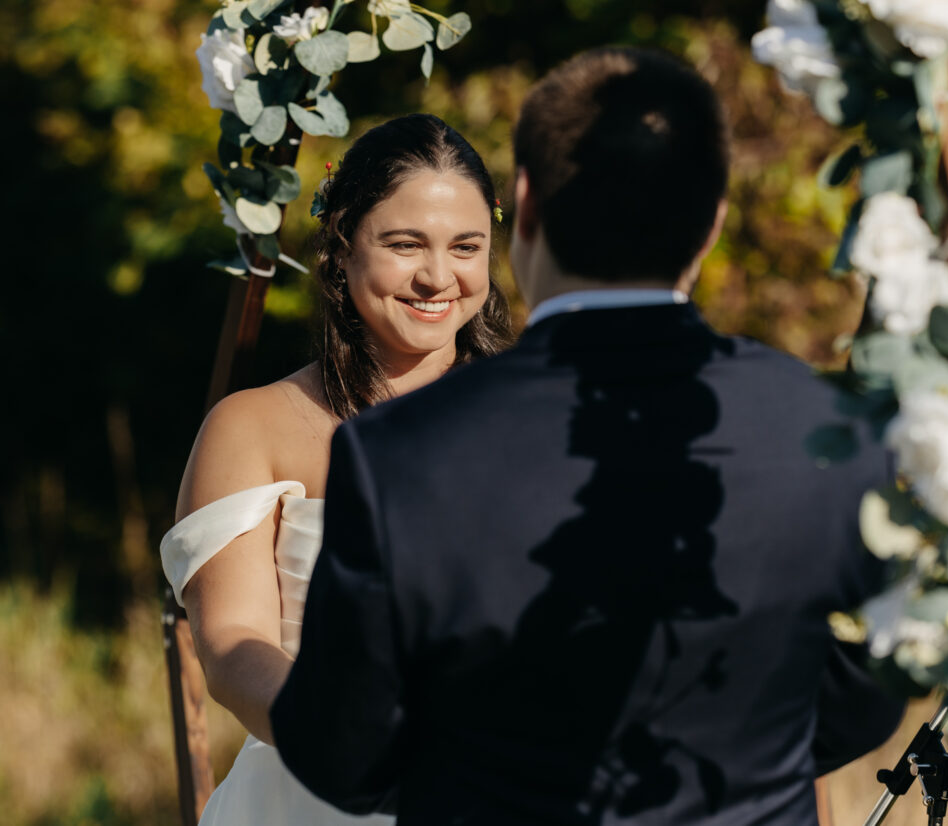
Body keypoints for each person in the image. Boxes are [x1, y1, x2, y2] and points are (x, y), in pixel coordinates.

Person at [271, 47, 904, 825]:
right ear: (711, 223)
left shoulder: (401, 450)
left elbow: (338, 748)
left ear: (525, 207)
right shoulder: (827, 425)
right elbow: (876, 689)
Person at [160, 113, 514, 826]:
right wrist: (352, 745)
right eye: (404, 244)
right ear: (342, 244)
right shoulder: (252, 425)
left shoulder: (548, 414)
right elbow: (231, 643)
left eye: (465, 247)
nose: (436, 276)